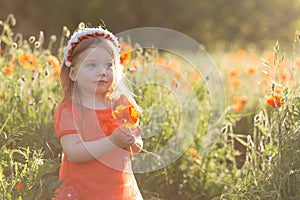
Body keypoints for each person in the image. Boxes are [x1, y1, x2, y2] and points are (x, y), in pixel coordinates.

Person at [53, 24, 143, 200]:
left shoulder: (120, 105)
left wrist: (131, 141)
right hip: (84, 191)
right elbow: (74, 152)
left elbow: (137, 145)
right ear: (73, 73)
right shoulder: (69, 110)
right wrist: (113, 141)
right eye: (92, 65)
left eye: (108, 65)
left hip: (119, 190)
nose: (102, 72)